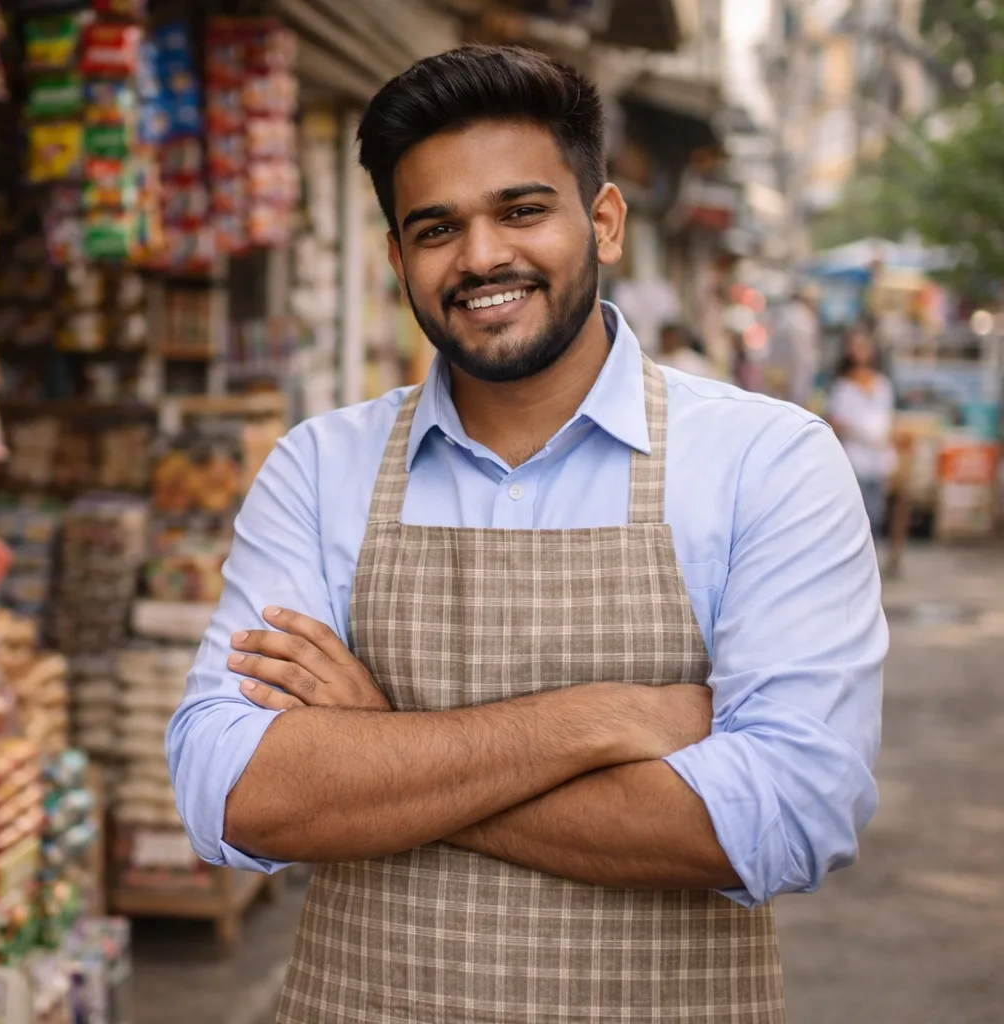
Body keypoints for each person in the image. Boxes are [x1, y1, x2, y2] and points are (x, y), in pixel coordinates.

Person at [166, 45, 884, 1024]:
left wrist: (376, 749)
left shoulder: (768, 462)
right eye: (436, 228)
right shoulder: (318, 467)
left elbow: (786, 814)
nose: (480, 257)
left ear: (604, 221)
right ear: (396, 261)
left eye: (521, 211)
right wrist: (601, 721)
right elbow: (231, 792)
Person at [824, 322, 897, 534]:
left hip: (880, 458)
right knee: (856, 514)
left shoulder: (882, 384)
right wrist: (859, 434)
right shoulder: (842, 386)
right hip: (854, 458)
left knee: (876, 514)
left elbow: (887, 417)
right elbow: (836, 420)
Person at [655, 321, 721, 379]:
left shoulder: (693, 361)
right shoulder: (656, 362)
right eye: (666, 338)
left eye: (671, 338)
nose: (669, 341)